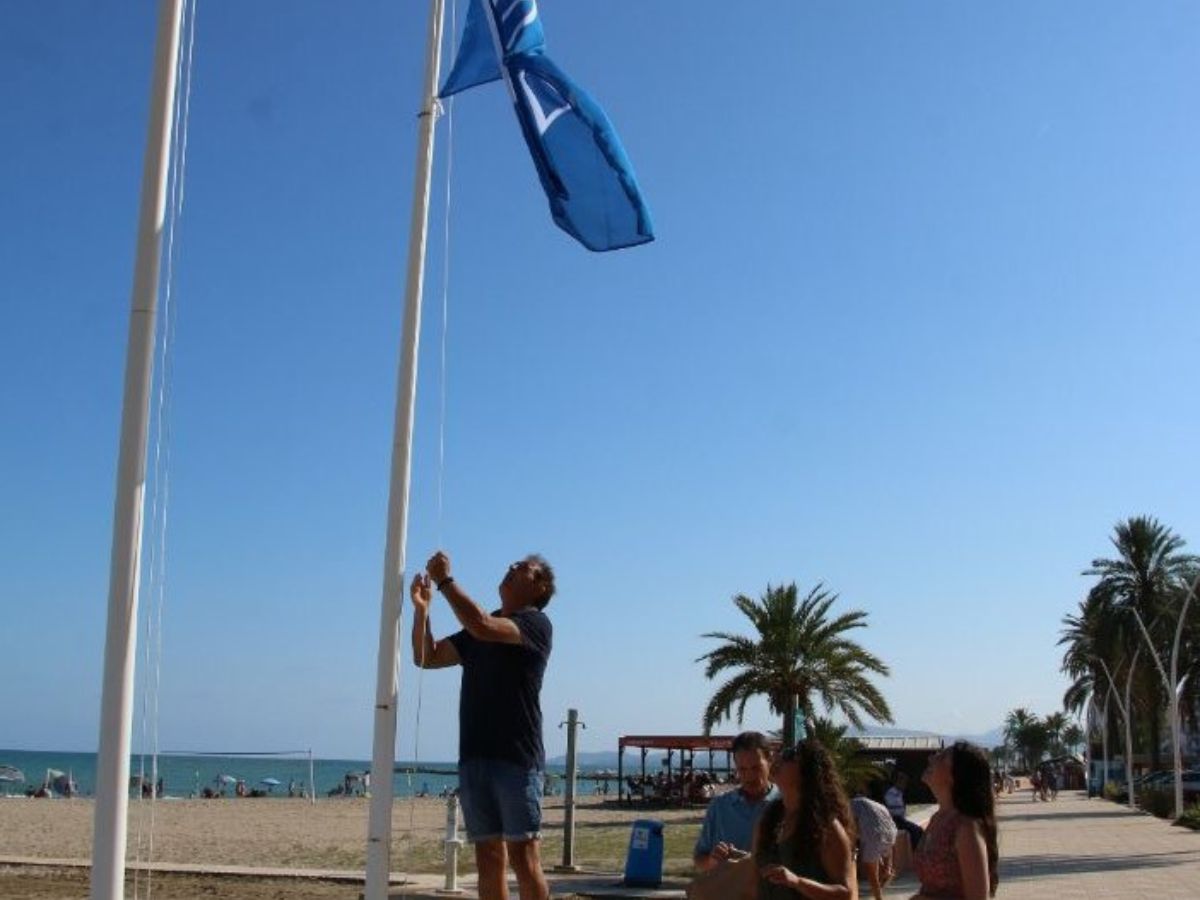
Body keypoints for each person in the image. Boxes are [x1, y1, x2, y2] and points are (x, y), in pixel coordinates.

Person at [411, 550, 556, 900]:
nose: (511, 567)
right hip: (475, 758)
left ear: (540, 587)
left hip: (517, 760)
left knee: (524, 857)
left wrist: (445, 582)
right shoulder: (481, 625)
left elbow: (483, 626)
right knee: (488, 858)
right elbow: (426, 657)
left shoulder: (535, 624)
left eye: (523, 568)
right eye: (512, 564)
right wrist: (422, 610)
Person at [754, 739, 858, 899]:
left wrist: (797, 882)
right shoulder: (769, 818)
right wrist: (734, 856)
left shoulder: (824, 826)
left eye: (789, 755)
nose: (778, 757)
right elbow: (758, 869)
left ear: (806, 772)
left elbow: (845, 893)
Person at [912, 741, 999, 899]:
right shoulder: (937, 819)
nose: (932, 758)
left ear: (956, 775)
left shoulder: (965, 827)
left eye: (942, 756)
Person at [693, 731, 780, 871]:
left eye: (756, 768)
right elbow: (699, 859)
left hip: (770, 891)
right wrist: (714, 859)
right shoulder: (720, 806)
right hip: (728, 891)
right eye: (742, 769)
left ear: (770, 761)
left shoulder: (785, 804)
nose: (750, 776)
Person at [850, 793, 897, 900]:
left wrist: (852, 846)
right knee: (880, 854)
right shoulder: (877, 805)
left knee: (871, 872)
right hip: (891, 833)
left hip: (873, 834)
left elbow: (851, 825)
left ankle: (878, 897)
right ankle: (887, 870)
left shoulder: (851, 805)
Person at [885, 772, 924, 851]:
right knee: (915, 831)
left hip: (900, 819)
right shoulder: (891, 793)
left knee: (919, 830)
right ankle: (914, 852)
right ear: (898, 782)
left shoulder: (899, 793)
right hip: (894, 819)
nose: (905, 785)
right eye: (903, 782)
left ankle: (918, 851)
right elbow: (892, 808)